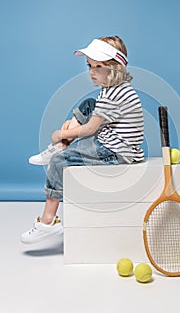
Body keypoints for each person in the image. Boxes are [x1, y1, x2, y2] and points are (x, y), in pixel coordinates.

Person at [21, 36, 144, 244]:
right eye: (89, 66)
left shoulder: (112, 95)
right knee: (89, 103)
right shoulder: (116, 88)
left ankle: (48, 222)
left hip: (116, 151)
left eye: (98, 67)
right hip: (113, 140)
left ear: (115, 68)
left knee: (59, 162)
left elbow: (89, 129)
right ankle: (59, 147)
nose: (92, 72)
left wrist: (61, 134)